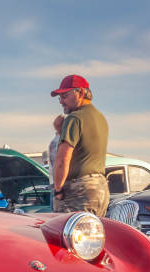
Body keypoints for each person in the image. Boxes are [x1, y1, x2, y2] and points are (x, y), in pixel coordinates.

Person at [50, 74, 110, 217]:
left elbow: (63, 159)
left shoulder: (74, 118)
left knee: (65, 235)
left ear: (81, 92)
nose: (61, 102)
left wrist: (58, 190)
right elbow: (84, 150)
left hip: (79, 191)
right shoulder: (100, 118)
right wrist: (61, 131)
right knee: (91, 237)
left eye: (65, 96)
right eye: (60, 97)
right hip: (99, 189)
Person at [48, 115, 65, 211]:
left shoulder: (54, 141)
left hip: (55, 185)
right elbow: (59, 164)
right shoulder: (58, 141)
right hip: (58, 186)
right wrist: (59, 190)